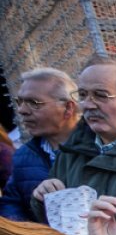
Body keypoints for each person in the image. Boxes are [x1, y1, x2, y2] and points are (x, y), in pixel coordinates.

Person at [30, 57, 116, 222]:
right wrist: (43, 199)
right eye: (83, 95)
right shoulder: (72, 150)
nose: (88, 105)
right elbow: (55, 221)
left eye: (101, 95)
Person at [1, 69, 80, 222]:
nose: (22, 110)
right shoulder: (22, 156)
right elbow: (11, 203)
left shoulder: (101, 146)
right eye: (19, 102)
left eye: (34, 103)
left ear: (68, 108)